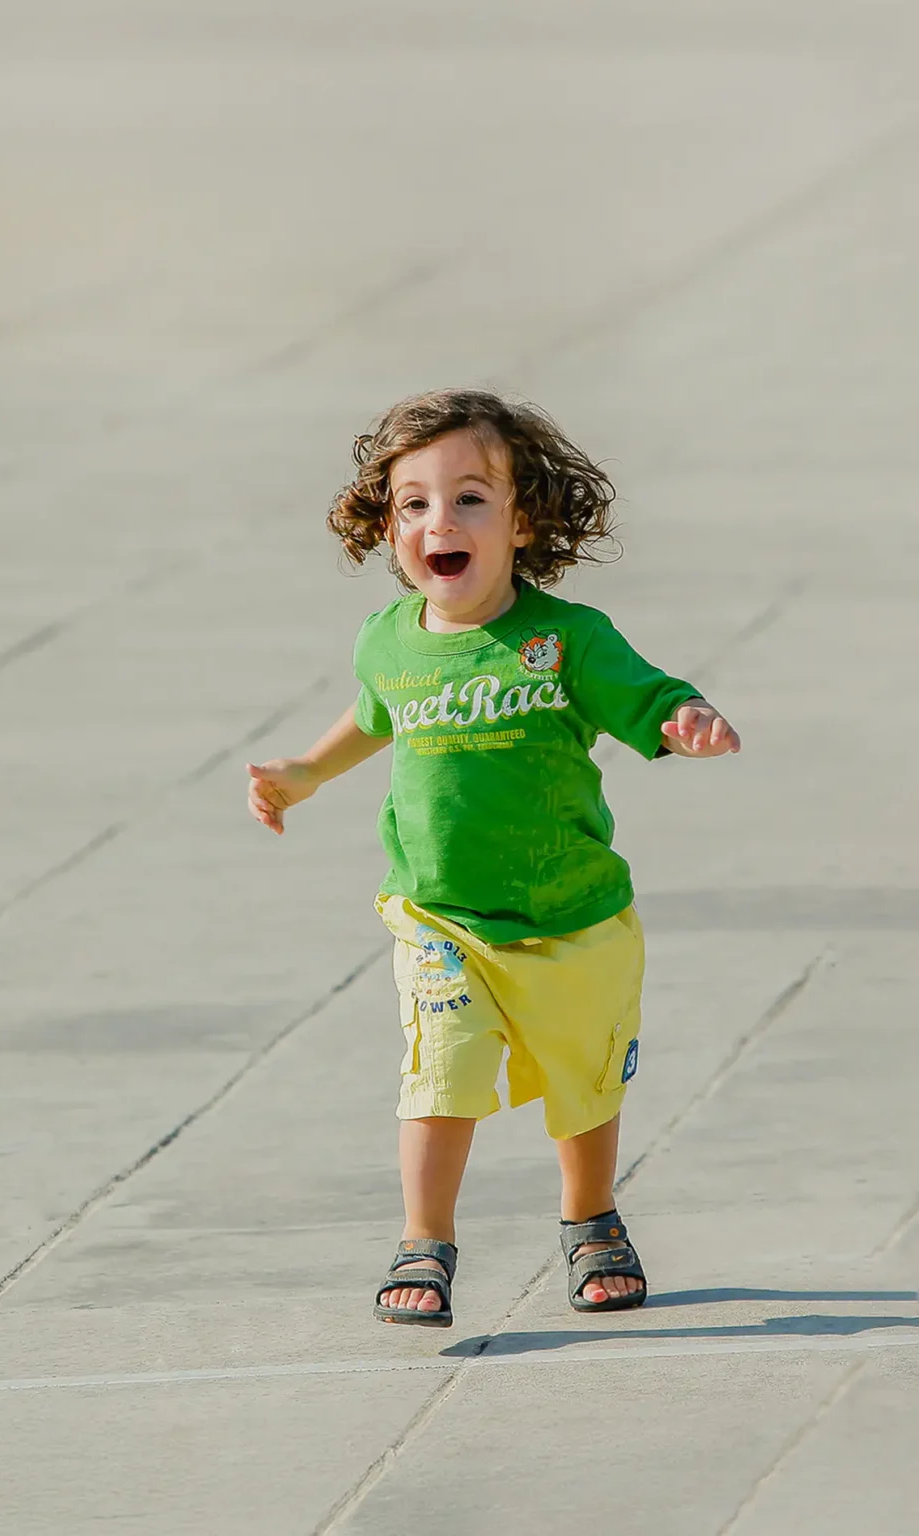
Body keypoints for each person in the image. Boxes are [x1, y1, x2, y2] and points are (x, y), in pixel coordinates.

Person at [246, 389, 740, 1327]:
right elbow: (376, 713)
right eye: (416, 503)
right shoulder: (390, 640)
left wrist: (686, 720)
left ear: (521, 521)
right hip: (443, 915)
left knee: (583, 1078)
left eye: (472, 498)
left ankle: (591, 1218)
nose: (442, 521)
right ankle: (424, 1240)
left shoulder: (567, 640)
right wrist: (307, 771)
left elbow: (648, 694)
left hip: (572, 915)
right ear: (387, 525)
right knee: (440, 1072)